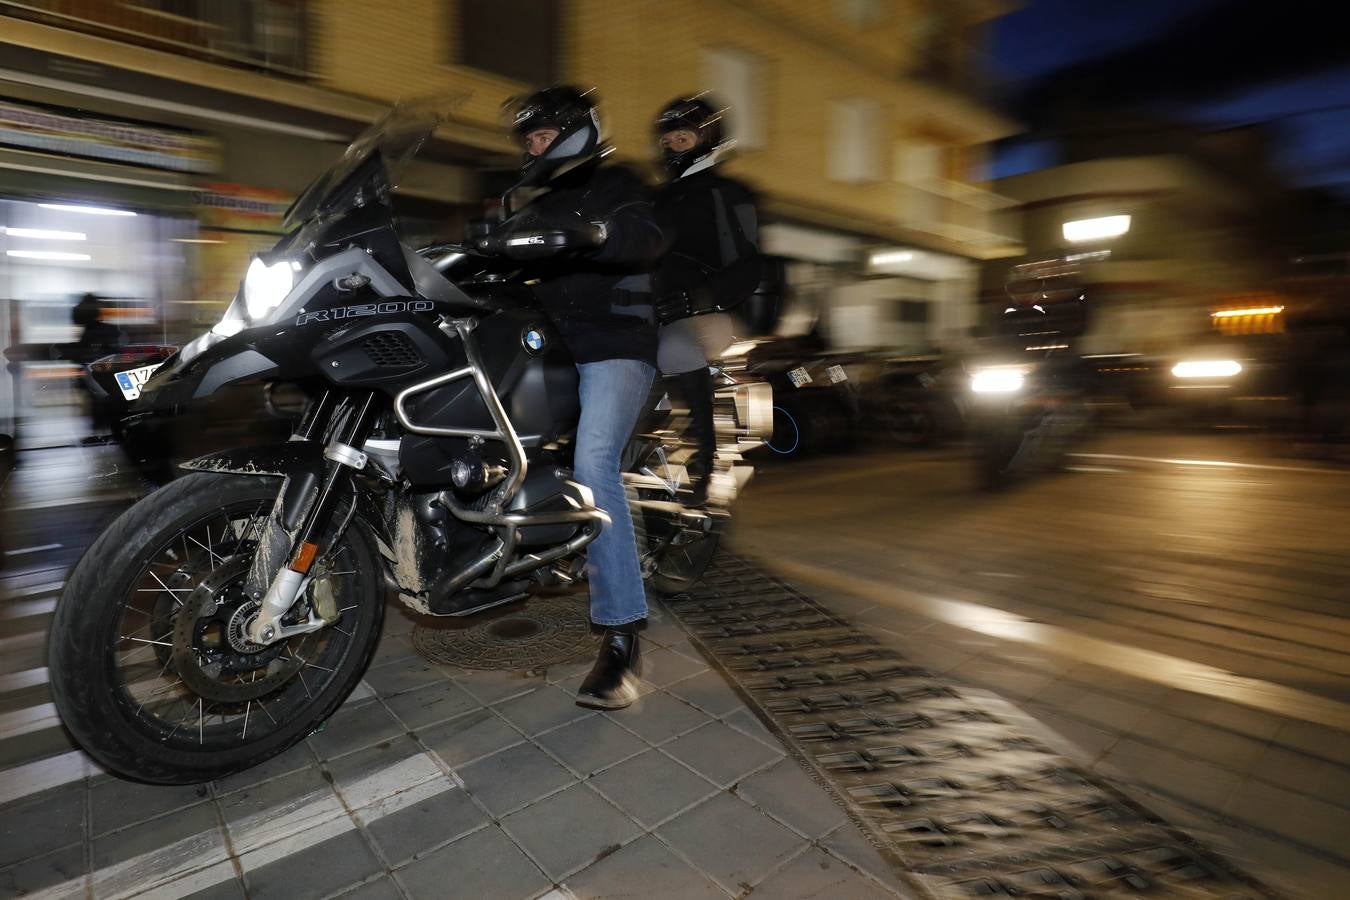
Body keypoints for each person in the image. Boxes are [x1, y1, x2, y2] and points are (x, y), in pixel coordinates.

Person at [497, 86, 664, 709]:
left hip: (616, 344)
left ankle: (622, 638)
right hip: (550, 347)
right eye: (530, 139)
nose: (536, 146)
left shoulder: (618, 182)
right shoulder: (534, 201)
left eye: (544, 135)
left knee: (595, 463)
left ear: (577, 131)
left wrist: (598, 231)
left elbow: (643, 236)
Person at [651, 96, 761, 505]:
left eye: (687, 135)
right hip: (653, 307)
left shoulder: (728, 192)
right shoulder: (656, 198)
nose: (678, 143)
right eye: (672, 137)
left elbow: (749, 261)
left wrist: (702, 296)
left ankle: (704, 458)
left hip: (708, 311)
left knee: (675, 346)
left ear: (708, 139)